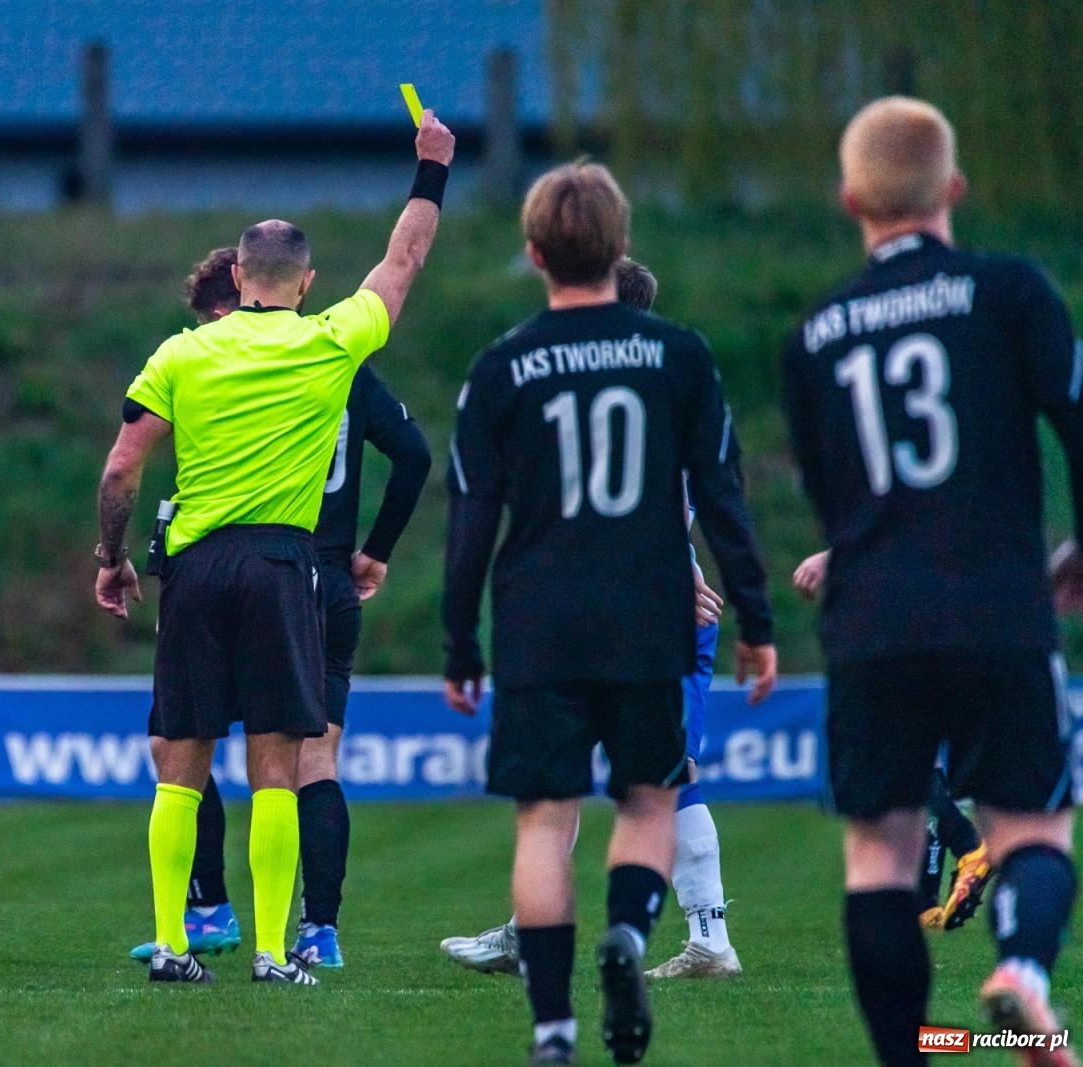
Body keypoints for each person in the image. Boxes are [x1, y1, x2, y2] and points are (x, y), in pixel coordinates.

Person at [95, 110, 454, 986]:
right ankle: (268, 950)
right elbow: (402, 261)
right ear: (305, 282)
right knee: (278, 766)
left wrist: (113, 557)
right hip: (283, 566)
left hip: (196, 567)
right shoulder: (329, 342)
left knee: (179, 765)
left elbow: (122, 468)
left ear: (238, 275)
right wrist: (431, 169)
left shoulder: (182, 352)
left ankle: (175, 944)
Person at [443, 164, 777, 1064]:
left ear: (534, 251)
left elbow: (471, 509)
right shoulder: (679, 359)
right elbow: (721, 488)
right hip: (649, 613)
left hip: (543, 616)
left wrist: (456, 637)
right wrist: (756, 612)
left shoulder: (504, 365)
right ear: (620, 245)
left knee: (545, 818)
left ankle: (554, 1027)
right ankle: (631, 934)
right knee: (651, 794)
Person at [783, 97, 1081, 1067]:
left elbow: (838, 499)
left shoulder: (815, 334)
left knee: (877, 853)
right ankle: (1022, 970)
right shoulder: (1008, 292)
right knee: (1031, 823)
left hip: (873, 618)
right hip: (998, 601)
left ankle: (906, 1059)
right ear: (951, 187)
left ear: (847, 198)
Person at [793, 549, 991, 932]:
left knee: (900, 762)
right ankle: (924, 899)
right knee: (923, 762)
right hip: (951, 621)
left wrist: (834, 557)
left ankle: (968, 845)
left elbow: (903, 519)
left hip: (909, 625)